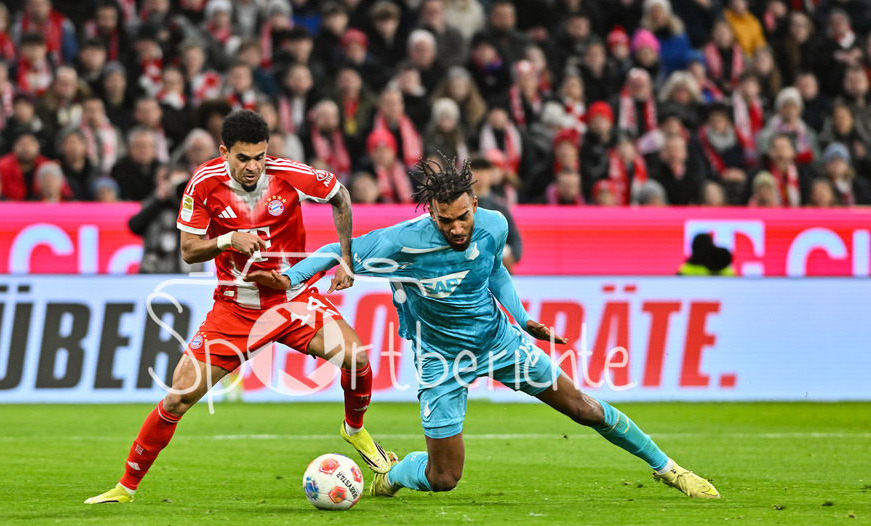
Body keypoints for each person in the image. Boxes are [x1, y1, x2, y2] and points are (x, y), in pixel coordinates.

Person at [250, 157, 720, 500]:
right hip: (439, 360)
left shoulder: (493, 225)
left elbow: (494, 272)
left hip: (499, 341)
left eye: (463, 217)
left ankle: (670, 470)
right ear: (430, 213)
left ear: (475, 203)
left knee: (583, 407)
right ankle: (393, 474)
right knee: (444, 479)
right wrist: (289, 279)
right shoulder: (402, 242)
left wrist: (523, 317)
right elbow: (336, 250)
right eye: (445, 220)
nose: (457, 229)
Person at [84, 110, 393, 504]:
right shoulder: (202, 184)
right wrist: (228, 239)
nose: (253, 167)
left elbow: (341, 197)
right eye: (243, 158)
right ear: (224, 151)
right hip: (236, 310)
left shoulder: (289, 173)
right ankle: (124, 488)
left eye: (260, 157)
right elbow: (189, 250)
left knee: (357, 359)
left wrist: (346, 260)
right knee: (178, 396)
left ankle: (354, 429)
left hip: (293, 301)